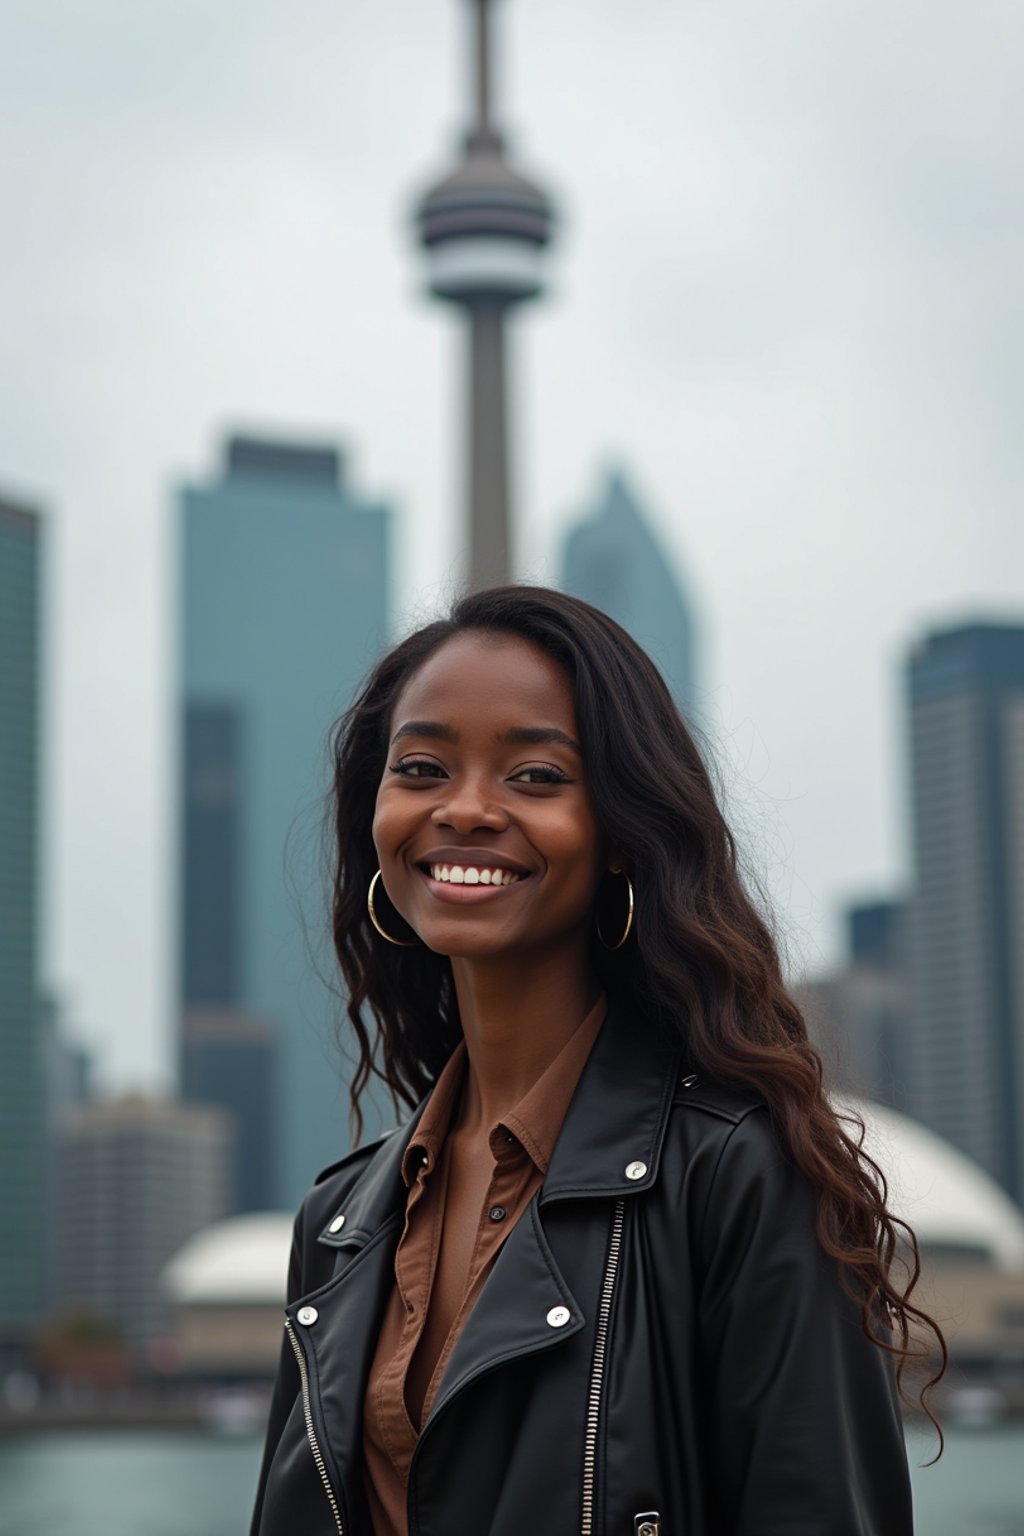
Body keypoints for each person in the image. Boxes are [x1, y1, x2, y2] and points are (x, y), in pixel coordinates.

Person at [250, 585, 942, 1536]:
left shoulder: (740, 1173)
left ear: (622, 831)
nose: (466, 809)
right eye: (420, 768)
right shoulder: (336, 1225)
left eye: (535, 776)